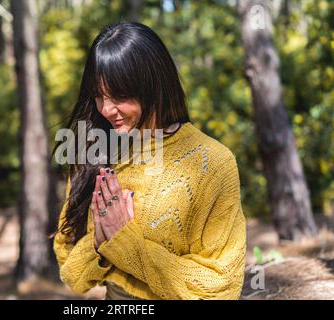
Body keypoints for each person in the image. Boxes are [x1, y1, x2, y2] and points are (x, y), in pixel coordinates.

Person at [52, 21, 246, 300]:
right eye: (98, 96)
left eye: (119, 95)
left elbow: (220, 287)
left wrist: (125, 243)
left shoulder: (212, 163)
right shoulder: (97, 155)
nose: (106, 109)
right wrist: (98, 244)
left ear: (153, 85)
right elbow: (70, 271)